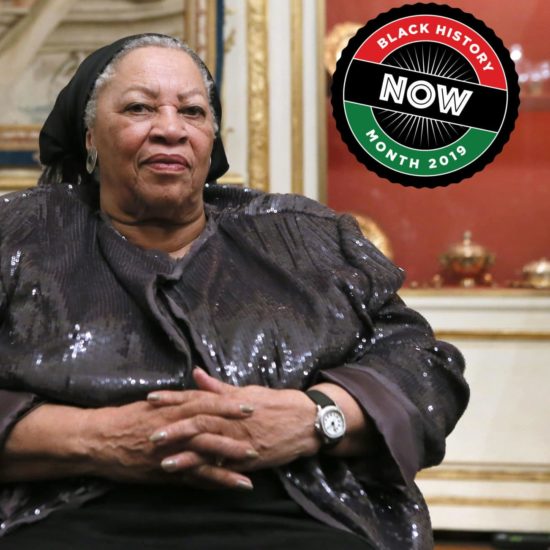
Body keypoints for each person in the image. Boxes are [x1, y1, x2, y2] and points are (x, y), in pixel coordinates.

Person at [0, 33, 468, 549]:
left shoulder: (304, 236)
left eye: (193, 112)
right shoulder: (20, 235)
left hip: (296, 510)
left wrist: (315, 417)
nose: (171, 129)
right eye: (139, 108)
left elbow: (424, 366)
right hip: (68, 509)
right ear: (90, 136)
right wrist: (100, 438)